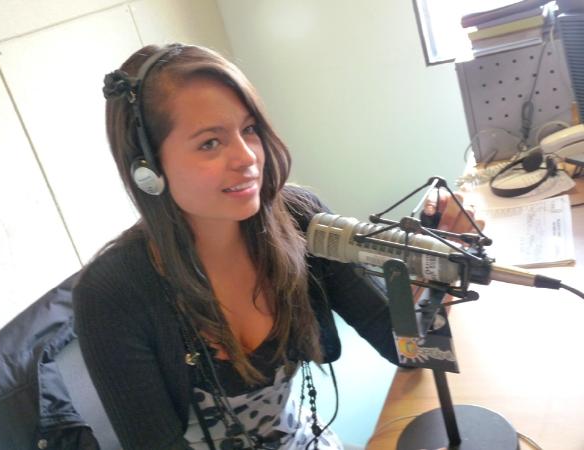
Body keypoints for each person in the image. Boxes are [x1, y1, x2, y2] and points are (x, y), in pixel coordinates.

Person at [73, 43, 478, 450]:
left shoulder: (301, 220)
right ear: (147, 168)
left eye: (249, 129)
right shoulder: (112, 293)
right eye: (210, 143)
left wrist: (437, 267)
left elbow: (410, 350)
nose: (247, 157)